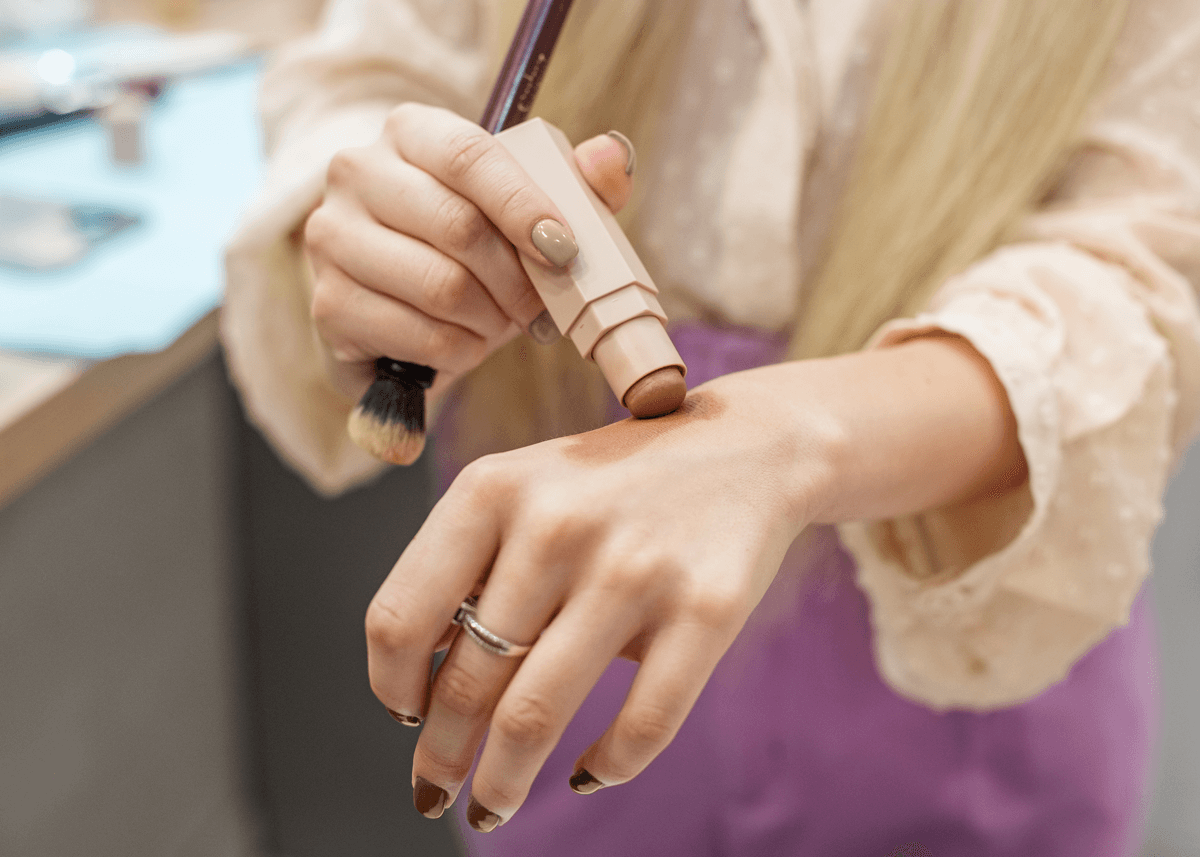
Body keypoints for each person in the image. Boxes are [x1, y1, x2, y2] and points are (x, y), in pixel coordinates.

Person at [222, 0, 1200, 854]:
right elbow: (359, 81)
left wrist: (783, 441)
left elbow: (1148, 260)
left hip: (958, 631)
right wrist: (390, 234)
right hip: (570, 641)